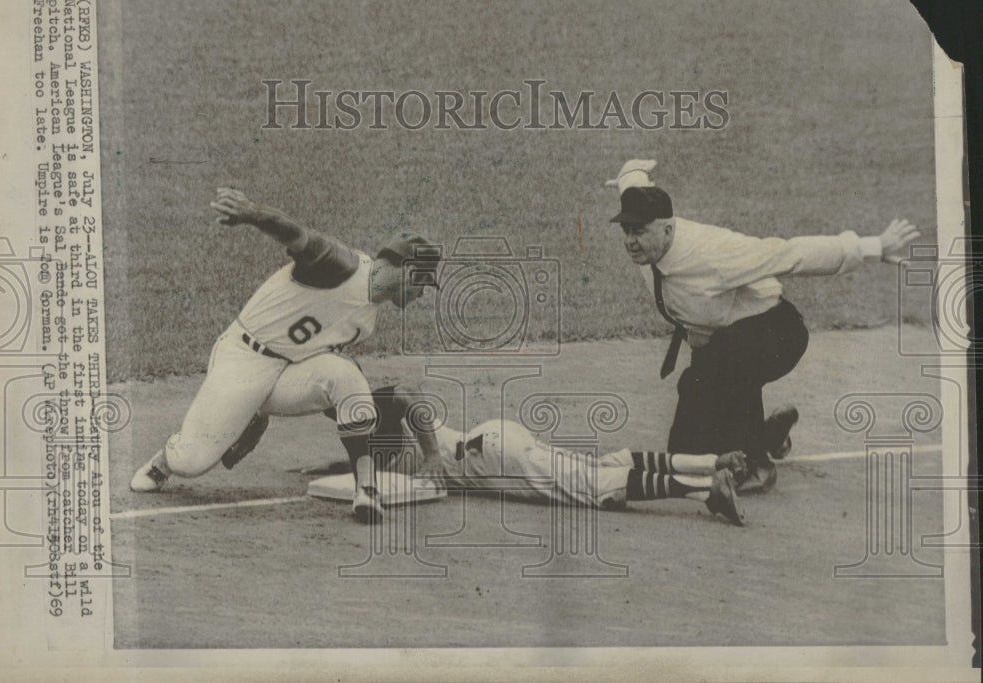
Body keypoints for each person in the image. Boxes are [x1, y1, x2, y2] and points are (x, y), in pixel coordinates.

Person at [129, 187, 441, 524]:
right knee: (192, 462)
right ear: (409, 271)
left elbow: (333, 382)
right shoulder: (343, 266)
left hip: (286, 374)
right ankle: (163, 461)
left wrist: (369, 418)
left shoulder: (367, 320)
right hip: (243, 359)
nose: (424, 292)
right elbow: (297, 234)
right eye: (424, 282)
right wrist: (252, 213)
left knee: (347, 374)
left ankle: (366, 489)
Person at [606, 159, 921, 491]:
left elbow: (790, 254)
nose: (630, 240)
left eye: (638, 231)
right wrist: (631, 174)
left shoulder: (713, 254)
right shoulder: (649, 236)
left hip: (776, 334)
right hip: (727, 338)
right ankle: (767, 435)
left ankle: (758, 465)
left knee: (717, 372)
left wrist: (871, 247)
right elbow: (634, 194)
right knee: (687, 453)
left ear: (668, 229)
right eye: (626, 230)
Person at [366, 384, 748, 525]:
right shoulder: (366, 446)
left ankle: (705, 489)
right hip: (495, 442)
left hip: (492, 461)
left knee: (599, 488)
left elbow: (407, 395)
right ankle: (710, 464)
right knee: (601, 466)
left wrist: (431, 455)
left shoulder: (370, 413)